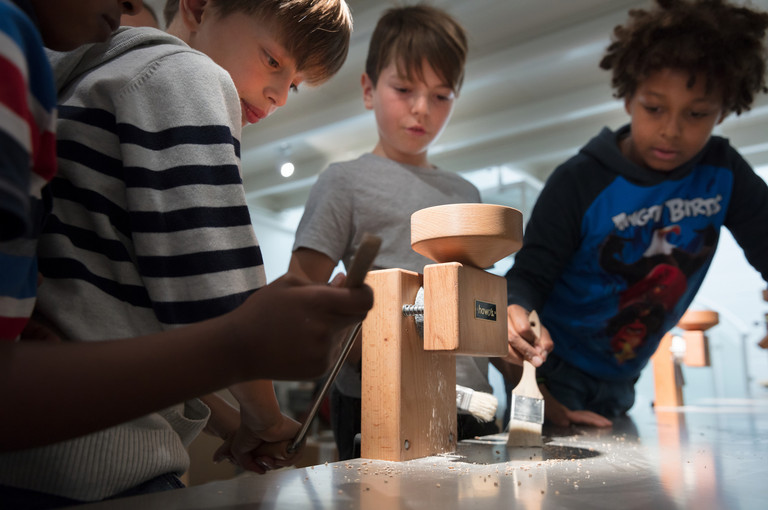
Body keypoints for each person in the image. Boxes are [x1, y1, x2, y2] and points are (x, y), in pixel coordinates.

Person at [0, 0, 363, 507]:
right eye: (274, 61)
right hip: (100, 463)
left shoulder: (90, 80)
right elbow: (218, 285)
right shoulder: (185, 72)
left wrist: (233, 419)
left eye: (294, 84)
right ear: (199, 7)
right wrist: (265, 413)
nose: (279, 95)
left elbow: (116, 313)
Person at [504, 0, 768, 428]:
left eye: (697, 114)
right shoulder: (579, 180)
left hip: (623, 376)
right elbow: (529, 275)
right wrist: (514, 309)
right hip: (551, 371)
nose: (671, 130)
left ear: (724, 108)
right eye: (654, 107)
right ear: (628, 98)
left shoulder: (724, 172)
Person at [289, 4, 503, 460]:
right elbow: (297, 300)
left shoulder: (467, 192)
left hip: (474, 403)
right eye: (404, 89)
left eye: (441, 95)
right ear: (368, 89)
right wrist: (340, 332)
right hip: (380, 399)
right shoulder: (344, 182)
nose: (421, 109)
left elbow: (480, 304)